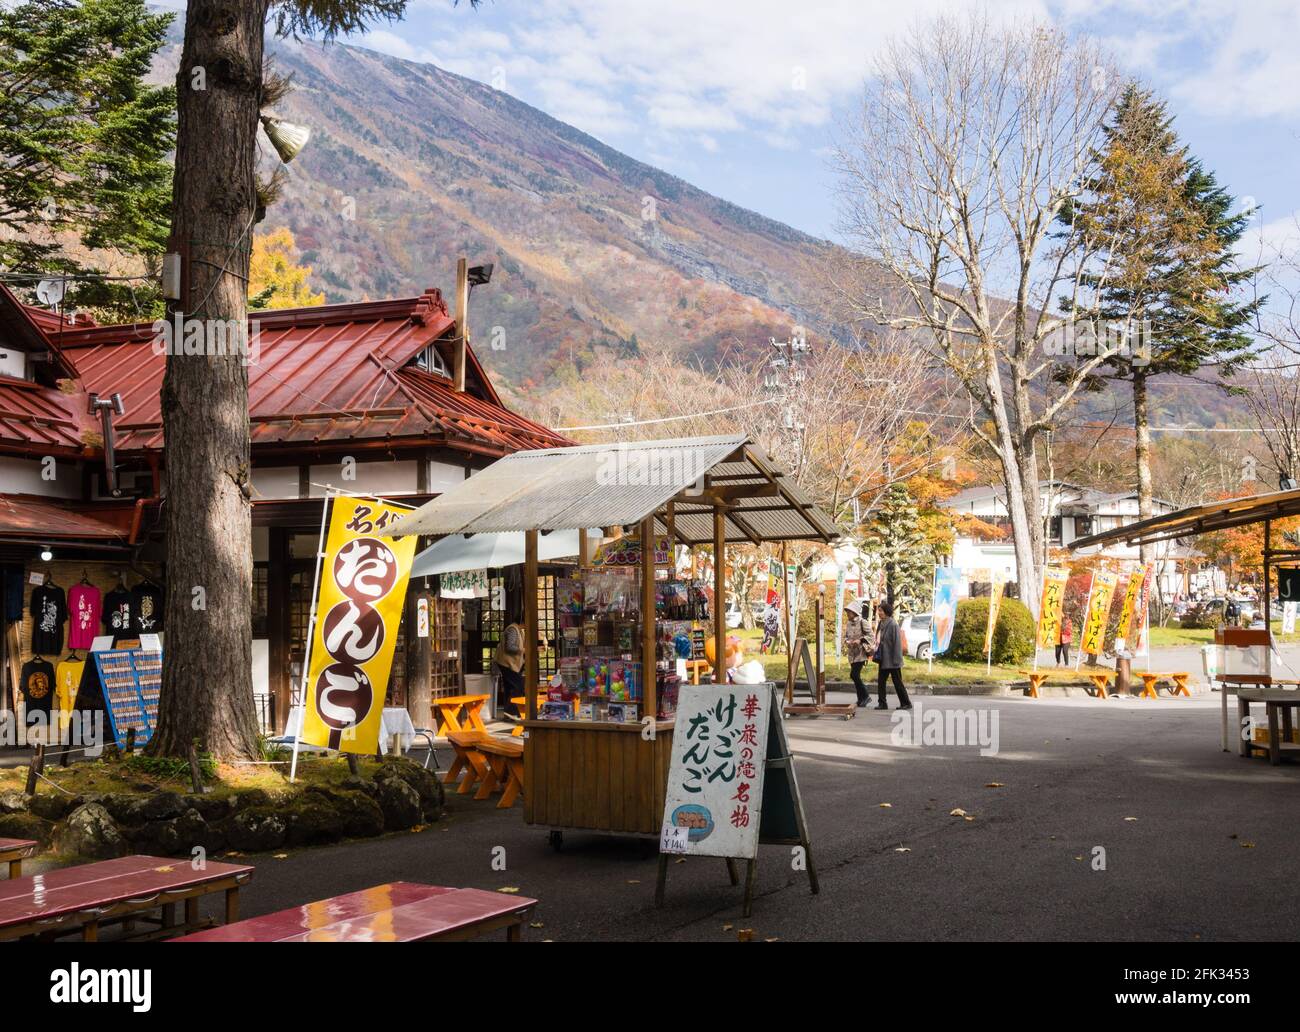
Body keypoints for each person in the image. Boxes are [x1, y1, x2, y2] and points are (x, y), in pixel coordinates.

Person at [873, 600, 911, 710]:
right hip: (883, 658)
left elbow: (897, 643)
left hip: (893, 659)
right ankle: (882, 703)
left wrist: (897, 660)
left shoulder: (893, 624)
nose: (879, 613)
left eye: (881, 611)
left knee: (897, 682)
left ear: (886, 612)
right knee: (881, 682)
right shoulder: (881, 623)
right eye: (878, 611)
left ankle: (906, 703)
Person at [843, 600, 874, 708]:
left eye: (849, 612)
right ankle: (861, 699)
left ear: (855, 612)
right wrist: (847, 641)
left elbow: (871, 636)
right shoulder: (848, 623)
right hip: (852, 653)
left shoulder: (862, 622)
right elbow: (846, 636)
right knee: (855, 676)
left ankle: (866, 696)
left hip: (861, 653)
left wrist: (860, 640)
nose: (847, 614)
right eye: (847, 612)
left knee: (854, 675)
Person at [494, 621, 527, 707]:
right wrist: (523, 650)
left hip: (510, 664)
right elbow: (509, 647)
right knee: (518, 686)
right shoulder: (512, 629)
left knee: (510, 688)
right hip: (506, 663)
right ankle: (513, 711)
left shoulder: (520, 630)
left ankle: (509, 713)